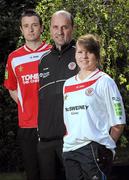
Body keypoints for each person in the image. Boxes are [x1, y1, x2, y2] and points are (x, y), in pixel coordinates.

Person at [63, 34, 126, 180]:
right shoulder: (68, 84)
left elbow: (118, 121)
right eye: (80, 52)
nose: (84, 56)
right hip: (70, 149)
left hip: (94, 149)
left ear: (96, 55)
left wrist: (107, 147)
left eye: (88, 52)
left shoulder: (105, 81)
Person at [4, 9, 51, 180]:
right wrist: (25, 105)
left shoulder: (52, 53)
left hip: (52, 125)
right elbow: (11, 87)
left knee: (52, 174)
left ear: (41, 28)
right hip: (27, 126)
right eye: (26, 26)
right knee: (33, 174)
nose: (30, 30)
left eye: (34, 25)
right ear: (21, 30)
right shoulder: (14, 58)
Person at [38, 10, 77, 180]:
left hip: (72, 138)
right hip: (46, 139)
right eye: (55, 27)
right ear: (50, 29)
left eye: (64, 27)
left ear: (72, 29)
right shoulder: (43, 60)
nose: (59, 32)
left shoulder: (82, 55)